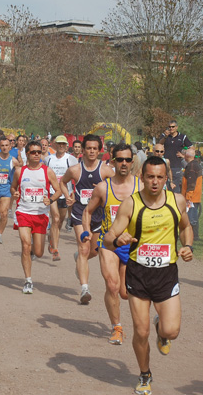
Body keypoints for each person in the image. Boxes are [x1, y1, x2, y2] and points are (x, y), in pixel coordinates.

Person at [103, 156, 193, 395]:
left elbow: (185, 227)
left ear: (166, 178)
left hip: (166, 275)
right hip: (138, 274)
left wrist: (188, 246)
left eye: (159, 177)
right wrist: (116, 239)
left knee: (171, 331)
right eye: (150, 176)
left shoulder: (177, 201)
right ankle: (145, 375)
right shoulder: (130, 204)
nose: (154, 182)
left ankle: (161, 329)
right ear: (142, 177)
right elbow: (108, 237)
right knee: (140, 332)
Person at [83, 144, 141, 345]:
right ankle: (117, 328)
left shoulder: (141, 187)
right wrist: (86, 230)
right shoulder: (103, 187)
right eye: (119, 159)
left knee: (125, 293)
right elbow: (88, 211)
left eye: (127, 160)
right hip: (109, 243)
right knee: (112, 285)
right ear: (113, 161)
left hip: (132, 245)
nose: (123, 163)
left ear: (132, 162)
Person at [60, 134, 114, 304]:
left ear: (100, 151)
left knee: (95, 250)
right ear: (82, 150)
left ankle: (78, 258)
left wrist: (103, 191)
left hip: (99, 216)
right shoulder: (75, 170)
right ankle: (84, 289)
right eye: (88, 148)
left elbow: (116, 187)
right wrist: (67, 195)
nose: (91, 151)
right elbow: (63, 181)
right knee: (84, 249)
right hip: (79, 213)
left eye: (94, 148)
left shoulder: (105, 170)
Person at [10, 140, 61, 294]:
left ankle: (33, 251)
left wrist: (50, 200)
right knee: (25, 245)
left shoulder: (47, 171)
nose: (37, 154)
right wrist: (15, 193)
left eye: (39, 152)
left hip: (40, 214)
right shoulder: (20, 171)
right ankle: (28, 281)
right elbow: (12, 187)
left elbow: (58, 191)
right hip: (24, 212)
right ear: (27, 154)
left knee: (39, 252)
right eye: (33, 152)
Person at [45, 135, 79, 261]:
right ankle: (55, 250)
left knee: (59, 222)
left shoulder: (71, 159)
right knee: (56, 218)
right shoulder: (48, 159)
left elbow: (76, 177)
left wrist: (73, 193)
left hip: (66, 193)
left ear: (66, 146)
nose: (61, 146)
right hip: (53, 193)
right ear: (54, 145)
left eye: (63, 144)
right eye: (58, 144)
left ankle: (52, 238)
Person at [160, 120, 193, 193]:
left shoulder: (182, 137)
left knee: (175, 189)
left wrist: (183, 155)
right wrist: (165, 137)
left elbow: (191, 148)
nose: (171, 128)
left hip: (176, 166)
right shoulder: (164, 135)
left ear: (176, 127)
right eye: (169, 127)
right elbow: (159, 145)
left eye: (173, 127)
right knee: (164, 188)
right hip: (164, 165)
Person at [182, 149, 202, 241]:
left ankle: (193, 236)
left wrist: (188, 197)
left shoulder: (191, 166)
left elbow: (191, 183)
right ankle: (195, 236)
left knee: (191, 219)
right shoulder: (195, 165)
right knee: (193, 218)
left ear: (187, 156)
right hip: (195, 196)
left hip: (191, 197)